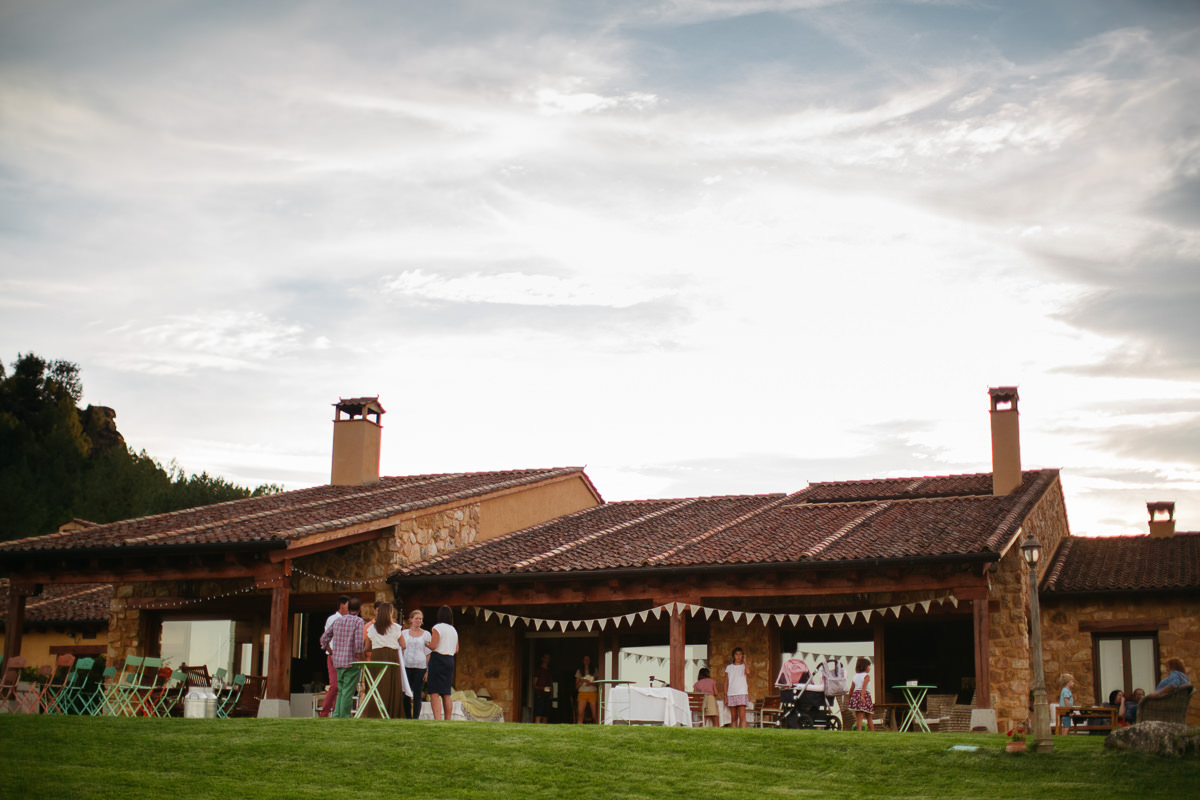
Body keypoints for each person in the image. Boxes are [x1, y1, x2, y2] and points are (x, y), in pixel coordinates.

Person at [319, 596, 364, 718]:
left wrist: (329, 650)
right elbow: (359, 643)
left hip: (338, 661)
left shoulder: (337, 621)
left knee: (340, 690)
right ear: (360, 609)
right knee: (348, 691)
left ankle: (337, 715)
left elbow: (324, 638)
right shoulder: (358, 621)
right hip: (352, 661)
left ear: (348, 608)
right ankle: (344, 716)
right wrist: (361, 656)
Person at [361, 601, 405, 719]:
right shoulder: (395, 627)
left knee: (377, 683)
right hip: (391, 656)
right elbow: (403, 644)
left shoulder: (372, 628)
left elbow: (367, 647)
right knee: (391, 684)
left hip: (377, 655)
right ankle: (391, 712)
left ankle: (375, 712)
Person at [318, 595, 350, 717]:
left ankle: (339, 713)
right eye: (348, 605)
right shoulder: (333, 619)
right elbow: (328, 637)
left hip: (344, 657)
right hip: (334, 656)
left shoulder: (348, 619)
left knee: (341, 686)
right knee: (335, 686)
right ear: (342, 606)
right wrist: (331, 652)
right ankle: (324, 713)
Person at [427, 605, 459, 720]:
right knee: (446, 692)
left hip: (438, 659)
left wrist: (427, 644)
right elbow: (456, 649)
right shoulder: (453, 630)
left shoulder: (437, 627)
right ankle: (448, 719)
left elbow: (433, 645)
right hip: (450, 660)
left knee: (434, 692)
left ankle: (437, 719)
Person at [400, 609, 432, 720]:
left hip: (420, 667)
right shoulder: (404, 633)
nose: (419, 620)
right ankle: (408, 716)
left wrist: (427, 670)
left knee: (418, 694)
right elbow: (401, 649)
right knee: (406, 693)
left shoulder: (426, 634)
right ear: (411, 619)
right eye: (416, 618)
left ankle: (416, 717)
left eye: (420, 619)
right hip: (406, 666)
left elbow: (428, 653)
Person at [724, 647, 751, 728]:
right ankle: (734, 735)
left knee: (742, 717)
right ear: (733, 656)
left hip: (742, 692)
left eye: (740, 654)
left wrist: (745, 661)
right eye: (736, 654)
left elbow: (748, 672)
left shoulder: (743, 666)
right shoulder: (729, 667)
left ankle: (743, 734)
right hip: (731, 693)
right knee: (733, 717)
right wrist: (725, 695)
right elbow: (726, 682)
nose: (738, 656)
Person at [848, 657, 874, 731]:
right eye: (869, 666)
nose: (870, 668)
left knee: (859, 716)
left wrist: (850, 697)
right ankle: (872, 731)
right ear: (865, 667)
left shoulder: (855, 676)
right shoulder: (866, 676)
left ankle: (859, 731)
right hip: (865, 695)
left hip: (856, 695)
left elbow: (852, 688)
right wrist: (862, 697)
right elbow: (864, 687)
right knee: (869, 716)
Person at [575, 655, 598, 724]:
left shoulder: (594, 670)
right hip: (582, 692)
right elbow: (576, 686)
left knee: (595, 713)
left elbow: (598, 683)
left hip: (592, 692)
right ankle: (579, 727)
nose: (586, 661)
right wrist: (582, 681)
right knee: (580, 713)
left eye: (588, 659)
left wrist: (591, 683)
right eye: (585, 659)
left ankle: (597, 726)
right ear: (583, 661)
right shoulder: (579, 671)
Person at [533, 653, 553, 724]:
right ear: (542, 659)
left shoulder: (549, 671)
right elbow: (534, 685)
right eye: (546, 658)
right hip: (540, 695)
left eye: (548, 658)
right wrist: (543, 688)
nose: (547, 660)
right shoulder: (539, 670)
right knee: (539, 714)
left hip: (547, 695)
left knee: (546, 715)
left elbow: (551, 683)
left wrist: (551, 693)